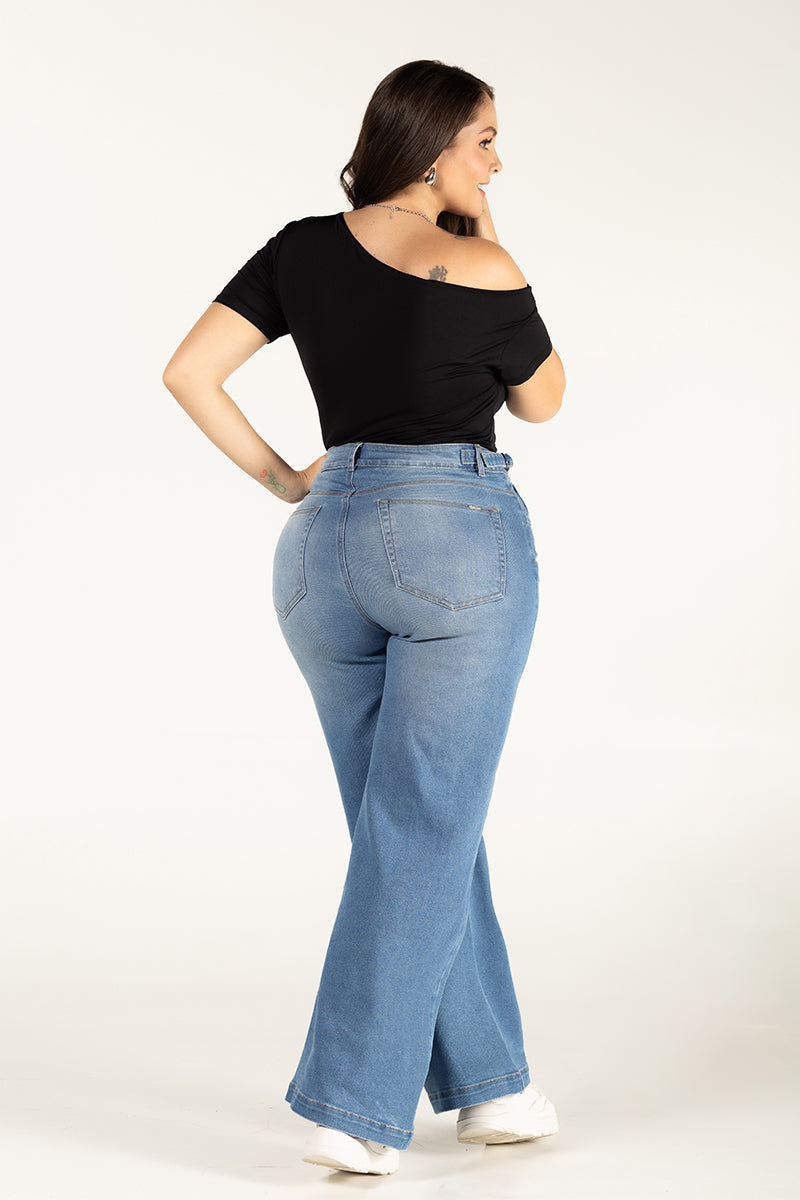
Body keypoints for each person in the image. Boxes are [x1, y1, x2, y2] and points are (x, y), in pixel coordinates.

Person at [162, 58, 566, 1178]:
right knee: (423, 824)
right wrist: (484, 236)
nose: (497, 162)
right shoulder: (483, 262)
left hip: (320, 551)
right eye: (485, 140)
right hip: (450, 541)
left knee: (408, 824)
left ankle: (493, 1086)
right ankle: (356, 1105)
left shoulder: (299, 248)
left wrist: (291, 482)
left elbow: (190, 372)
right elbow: (543, 399)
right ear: (434, 150)